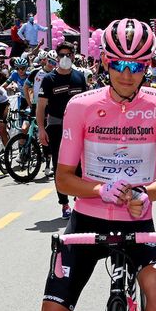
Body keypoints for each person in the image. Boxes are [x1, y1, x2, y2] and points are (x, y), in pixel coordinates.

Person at [25, 18, 156, 311]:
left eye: (137, 66)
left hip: (138, 220)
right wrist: (99, 189)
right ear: (105, 63)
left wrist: (145, 195)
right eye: (119, 65)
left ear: (149, 66)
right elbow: (63, 178)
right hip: (86, 223)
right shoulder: (81, 106)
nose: (127, 75)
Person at [35, 49, 89, 219]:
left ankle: (81, 198)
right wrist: (41, 129)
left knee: (82, 165)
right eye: (61, 55)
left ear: (74, 56)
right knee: (61, 167)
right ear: (56, 58)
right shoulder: (49, 79)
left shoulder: (80, 77)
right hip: (57, 126)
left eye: (69, 54)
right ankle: (64, 204)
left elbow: (87, 103)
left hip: (80, 127)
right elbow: (41, 106)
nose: (65, 58)